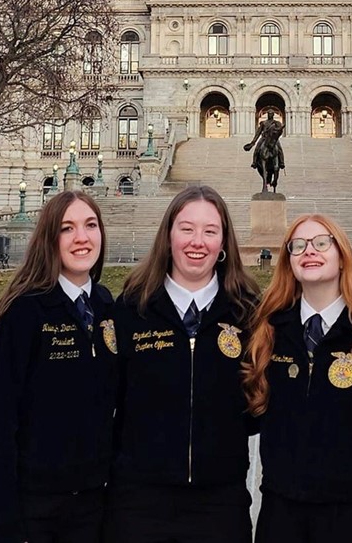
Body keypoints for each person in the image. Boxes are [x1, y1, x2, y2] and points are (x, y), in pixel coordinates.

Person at [103, 186, 260, 543]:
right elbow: (106, 398)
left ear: (223, 243)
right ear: (168, 235)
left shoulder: (248, 312)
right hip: (139, 501)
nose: (197, 242)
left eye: (210, 231)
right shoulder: (131, 309)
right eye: (187, 228)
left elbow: (259, 404)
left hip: (220, 502)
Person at [0, 190, 116, 543]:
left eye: (90, 225)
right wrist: (2, 520)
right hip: (34, 507)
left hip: (92, 504)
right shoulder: (23, 312)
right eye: (67, 229)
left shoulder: (105, 304)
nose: (82, 238)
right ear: (49, 239)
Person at [242, 214, 352, 543]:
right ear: (288, 261)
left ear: (342, 257)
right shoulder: (268, 329)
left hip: (350, 512)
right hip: (282, 510)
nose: (310, 251)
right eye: (298, 246)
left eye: (322, 243)